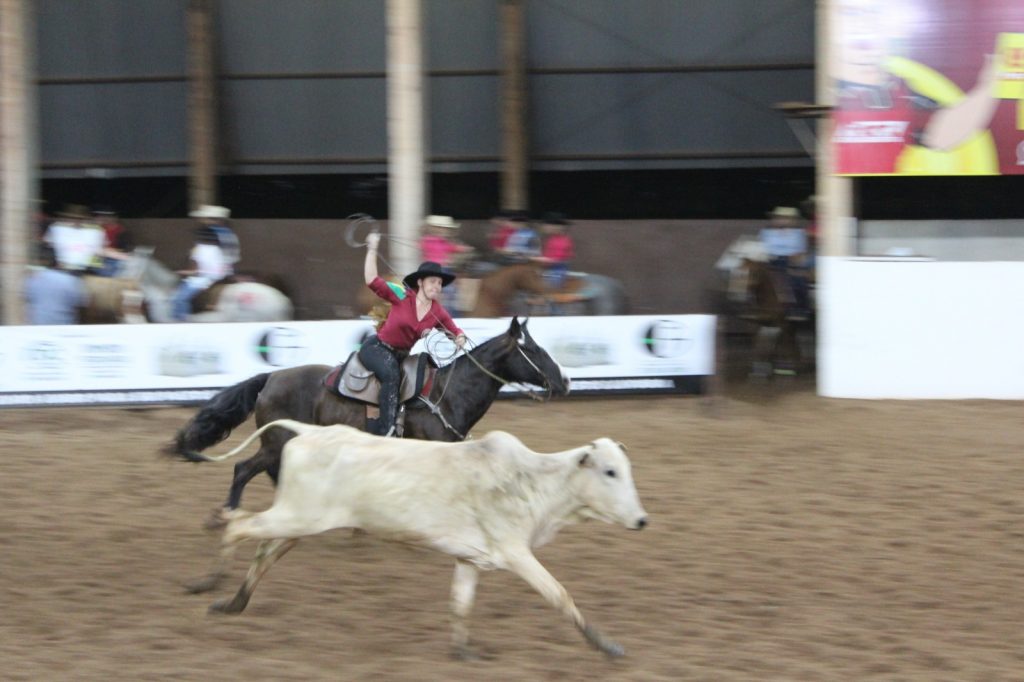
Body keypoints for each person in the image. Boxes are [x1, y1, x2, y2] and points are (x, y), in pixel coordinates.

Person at [362, 231, 466, 437]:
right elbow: (372, 280)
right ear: (420, 282)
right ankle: (387, 430)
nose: (437, 286)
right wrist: (372, 248)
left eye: (440, 283)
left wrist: (460, 337)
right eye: (433, 281)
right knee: (391, 374)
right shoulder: (401, 295)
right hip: (377, 348)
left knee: (425, 373)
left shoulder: (438, 312)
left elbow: (454, 330)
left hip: (402, 355)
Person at [171, 226, 233, 321]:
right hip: (219, 278)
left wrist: (180, 272)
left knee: (178, 299)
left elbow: (195, 271)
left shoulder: (198, 249)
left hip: (202, 280)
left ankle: (181, 320)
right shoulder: (217, 249)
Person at [759, 206, 811, 319]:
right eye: (779, 218)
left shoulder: (798, 233)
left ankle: (800, 309)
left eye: (786, 218)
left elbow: (801, 250)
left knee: (797, 280)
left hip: (790, 260)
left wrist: (794, 258)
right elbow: (763, 248)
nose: (782, 220)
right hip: (771, 260)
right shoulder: (766, 233)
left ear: (792, 220)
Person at [24, 245, 89, 325]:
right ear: (57, 262)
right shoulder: (71, 280)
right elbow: (82, 303)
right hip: (64, 325)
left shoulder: (32, 280)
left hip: (39, 325)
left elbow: (28, 300)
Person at [43, 204, 105, 272]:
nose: (76, 221)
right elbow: (48, 245)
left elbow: (98, 253)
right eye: (72, 218)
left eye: (80, 219)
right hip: (62, 267)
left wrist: (90, 265)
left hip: (85, 268)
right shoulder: (56, 228)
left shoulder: (95, 231)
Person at [536, 212, 575, 289]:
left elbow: (555, 260)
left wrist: (536, 260)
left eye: (546, 224)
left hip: (555, 275)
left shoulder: (562, 241)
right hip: (548, 272)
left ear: (557, 226)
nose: (544, 227)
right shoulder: (552, 239)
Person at [92, 206, 133, 277]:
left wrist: (116, 253)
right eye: (101, 216)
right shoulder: (98, 229)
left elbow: (125, 249)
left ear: (115, 218)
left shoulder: (121, 231)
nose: (104, 218)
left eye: (108, 216)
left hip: (112, 257)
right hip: (100, 257)